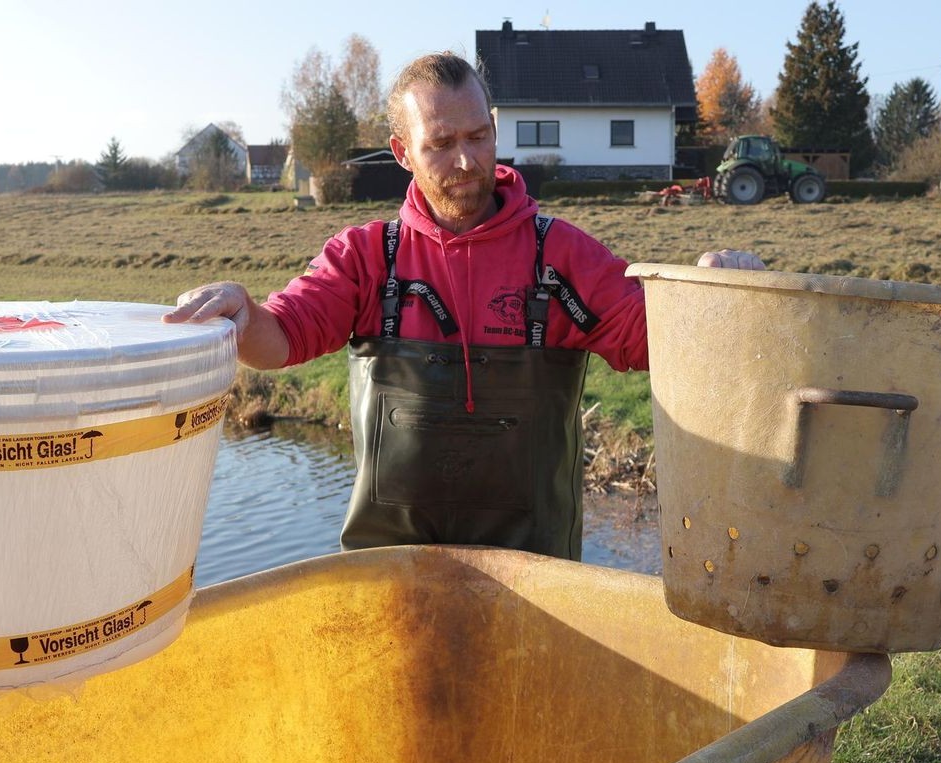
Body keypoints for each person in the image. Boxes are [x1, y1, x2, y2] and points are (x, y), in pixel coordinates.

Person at [166, 51, 762, 560]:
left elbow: (648, 335)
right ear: (402, 152)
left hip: (537, 577)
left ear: (494, 128)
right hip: (394, 577)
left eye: (478, 136)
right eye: (441, 143)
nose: (466, 161)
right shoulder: (367, 258)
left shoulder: (558, 257)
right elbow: (282, 336)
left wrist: (713, 298)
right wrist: (243, 314)